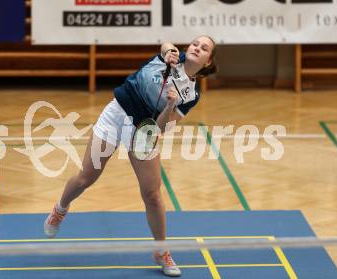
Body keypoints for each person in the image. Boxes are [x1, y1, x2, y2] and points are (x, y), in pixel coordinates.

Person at [44, 35, 217, 277]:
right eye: (195, 44)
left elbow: (160, 127)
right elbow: (166, 44)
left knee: (153, 194)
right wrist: (168, 51)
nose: (197, 48)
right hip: (117, 115)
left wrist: (169, 106)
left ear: (208, 62)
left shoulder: (191, 94)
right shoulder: (169, 58)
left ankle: (161, 251)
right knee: (86, 177)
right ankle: (60, 209)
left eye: (204, 48)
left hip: (144, 129)